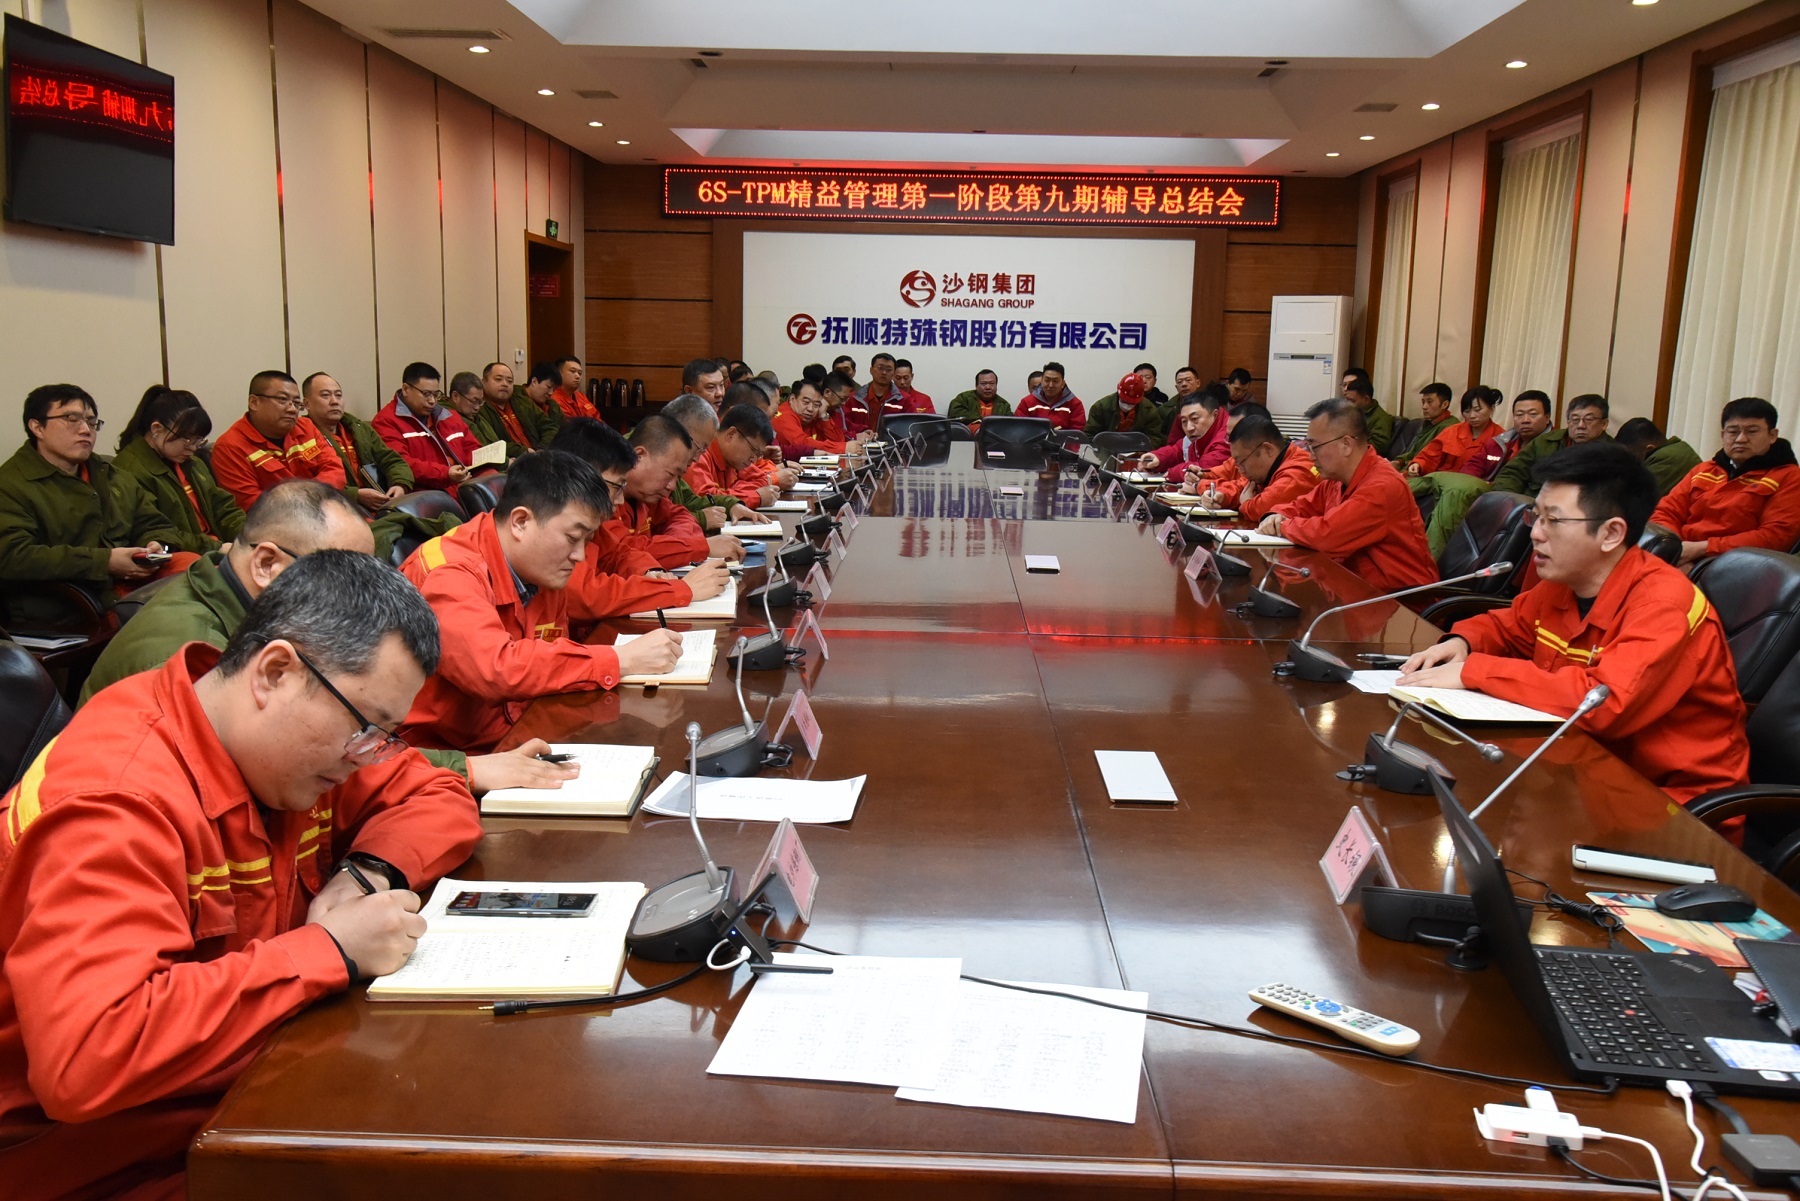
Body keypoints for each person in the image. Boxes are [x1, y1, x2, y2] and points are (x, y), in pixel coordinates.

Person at [0, 550, 484, 1201]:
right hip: (108, 1159)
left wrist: (365, 872)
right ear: (275, 672)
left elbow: (435, 793)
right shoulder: (116, 799)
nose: (367, 755)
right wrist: (330, 950)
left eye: (385, 735)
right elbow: (89, 1056)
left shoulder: (294, 744)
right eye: (366, 727)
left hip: (247, 1094)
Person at [1400, 443, 1748, 804]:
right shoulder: (1566, 581)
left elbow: (1603, 704)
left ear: (1611, 534)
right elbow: (1506, 628)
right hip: (1576, 769)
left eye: (1553, 520)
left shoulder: (1664, 604)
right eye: (1535, 516)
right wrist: (1462, 643)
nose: (1536, 533)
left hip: (1670, 800)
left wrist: (1474, 671)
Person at [398, 450, 683, 754]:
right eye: (572, 538)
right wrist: (618, 660)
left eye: (586, 541)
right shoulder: (448, 570)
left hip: (520, 732)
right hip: (448, 759)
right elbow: (497, 670)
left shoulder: (540, 566)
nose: (580, 556)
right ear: (521, 521)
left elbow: (547, 659)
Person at [0, 384, 189, 596]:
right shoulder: (11, 485)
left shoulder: (111, 475)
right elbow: (13, 556)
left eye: (91, 422)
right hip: (69, 600)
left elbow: (156, 524)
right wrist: (104, 562)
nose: (85, 430)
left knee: (195, 568)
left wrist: (157, 546)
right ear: (37, 427)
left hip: (134, 583)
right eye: (71, 419)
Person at [549, 418, 730, 620]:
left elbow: (619, 553)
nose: (619, 500)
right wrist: (679, 589)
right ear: (582, 478)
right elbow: (585, 596)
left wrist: (648, 571)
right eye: (617, 486)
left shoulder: (626, 504)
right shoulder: (553, 524)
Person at [1259, 397, 1436, 592]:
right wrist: (1276, 515)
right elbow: (1301, 506)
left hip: (1400, 600)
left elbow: (1328, 534)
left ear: (1346, 444)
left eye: (1315, 447)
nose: (1310, 456)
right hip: (1351, 589)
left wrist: (1283, 526)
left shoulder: (1382, 486)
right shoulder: (1336, 479)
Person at [1652, 397, 1800, 566]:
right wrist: (1672, 545)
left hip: (1734, 565)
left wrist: (1703, 548)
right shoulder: (1704, 470)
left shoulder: (1788, 477)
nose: (1741, 439)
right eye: (1733, 432)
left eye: (1752, 431)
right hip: (1682, 552)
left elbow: (1775, 537)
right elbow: (1666, 512)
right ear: (1723, 435)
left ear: (1772, 435)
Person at [110, 385, 246, 553]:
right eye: (187, 440)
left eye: (199, 441)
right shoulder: (129, 471)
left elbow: (223, 510)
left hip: (214, 549)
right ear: (157, 429)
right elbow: (158, 532)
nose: (193, 448)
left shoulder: (193, 463)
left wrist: (251, 535)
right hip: (180, 554)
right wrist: (217, 548)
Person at [209, 370, 348, 509]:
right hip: (276, 520)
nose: (292, 409)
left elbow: (336, 472)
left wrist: (306, 496)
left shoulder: (306, 427)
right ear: (254, 402)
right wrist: (309, 497)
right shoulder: (230, 446)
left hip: (323, 510)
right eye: (282, 400)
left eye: (296, 402)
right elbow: (251, 504)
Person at [612, 414, 737, 566]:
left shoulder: (648, 495)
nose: (672, 486)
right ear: (639, 456)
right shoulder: (605, 495)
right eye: (670, 474)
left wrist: (678, 545)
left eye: (678, 477)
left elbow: (680, 516)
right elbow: (625, 554)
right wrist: (698, 548)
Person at [304, 371, 413, 512]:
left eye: (338, 395)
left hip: (381, 502)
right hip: (337, 509)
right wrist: (354, 495)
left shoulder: (359, 428)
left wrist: (400, 484)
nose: (334, 401)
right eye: (325, 395)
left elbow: (392, 460)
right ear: (306, 404)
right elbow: (308, 487)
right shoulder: (303, 437)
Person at [371, 362, 475, 493]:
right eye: (426, 394)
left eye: (436, 394)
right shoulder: (386, 421)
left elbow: (472, 447)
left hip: (465, 484)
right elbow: (401, 464)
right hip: (428, 492)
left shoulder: (448, 416)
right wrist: (445, 473)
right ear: (406, 389)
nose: (432, 401)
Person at [663, 393, 761, 530]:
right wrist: (700, 519)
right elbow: (660, 524)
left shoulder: (673, 465)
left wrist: (731, 505)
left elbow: (689, 501)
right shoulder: (652, 463)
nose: (697, 458)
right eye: (699, 448)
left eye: (703, 450)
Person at [1198, 413, 1320, 524]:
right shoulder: (1271, 466)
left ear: (1267, 450)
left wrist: (1246, 504)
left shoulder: (1298, 470)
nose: (1240, 470)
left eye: (1242, 462)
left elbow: (1262, 509)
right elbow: (1243, 488)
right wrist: (1221, 496)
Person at [1492, 393, 1612, 497]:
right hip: (1532, 505)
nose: (1581, 425)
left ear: (1604, 424)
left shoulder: (1612, 454)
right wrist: (1509, 500)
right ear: (1568, 422)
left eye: (1589, 419)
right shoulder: (1546, 442)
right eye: (1575, 419)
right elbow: (1513, 472)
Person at [685, 401, 780, 509]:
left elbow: (762, 480)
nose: (754, 460)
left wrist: (731, 493)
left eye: (759, 454)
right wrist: (754, 497)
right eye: (754, 450)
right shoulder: (699, 454)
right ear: (731, 434)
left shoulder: (735, 460)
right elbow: (705, 500)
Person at [1407, 387, 1502, 480]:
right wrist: (1418, 464)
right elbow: (1430, 455)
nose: (1472, 416)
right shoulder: (1453, 431)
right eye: (1467, 411)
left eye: (1477, 410)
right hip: (1441, 481)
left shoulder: (1500, 438)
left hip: (1473, 485)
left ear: (1492, 408)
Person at [1139, 389, 1228, 482]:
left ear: (1214, 415)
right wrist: (1158, 458)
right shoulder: (1201, 432)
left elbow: (1204, 469)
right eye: (1184, 421)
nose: (1189, 428)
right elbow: (1178, 450)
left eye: (1195, 419)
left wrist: (1173, 473)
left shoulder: (1228, 435)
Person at [464, 361, 544, 458]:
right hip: (509, 460)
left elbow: (549, 426)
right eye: (498, 379)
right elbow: (488, 444)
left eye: (509, 381)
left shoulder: (523, 402)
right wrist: (522, 451)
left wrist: (542, 448)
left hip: (537, 456)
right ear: (484, 382)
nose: (505, 384)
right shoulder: (477, 408)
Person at [1615, 417, 1703, 497]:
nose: (1627, 463)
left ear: (1649, 449)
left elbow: (1633, 499)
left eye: (1630, 458)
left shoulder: (1667, 459)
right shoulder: (1678, 450)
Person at [846, 352, 927, 434]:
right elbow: (845, 424)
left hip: (892, 442)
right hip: (859, 441)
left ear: (894, 373)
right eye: (880, 368)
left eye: (889, 369)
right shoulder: (854, 398)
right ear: (871, 370)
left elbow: (912, 427)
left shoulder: (904, 399)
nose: (884, 372)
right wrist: (861, 432)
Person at [773, 377, 849, 456]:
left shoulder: (813, 417)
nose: (810, 409)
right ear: (792, 399)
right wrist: (843, 448)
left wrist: (824, 417)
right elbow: (802, 444)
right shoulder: (783, 417)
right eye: (806, 402)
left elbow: (839, 441)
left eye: (816, 404)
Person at [1389, 383, 1457, 470]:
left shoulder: (1450, 427)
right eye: (1423, 402)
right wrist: (1399, 461)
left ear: (1444, 404)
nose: (1424, 407)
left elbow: (1433, 461)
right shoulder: (1429, 423)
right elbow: (1414, 452)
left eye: (1429, 402)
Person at [1086, 372, 1169, 443]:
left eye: (1132, 403)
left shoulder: (1150, 411)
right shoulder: (1100, 407)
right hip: (1105, 450)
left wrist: (1141, 451)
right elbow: (1089, 435)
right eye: (1124, 401)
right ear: (1119, 392)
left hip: (1137, 451)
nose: (1127, 405)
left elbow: (1155, 438)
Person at [1017, 362, 1084, 430]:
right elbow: (1018, 428)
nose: (1050, 385)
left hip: (1064, 437)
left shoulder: (1074, 404)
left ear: (1063, 384)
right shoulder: (1027, 402)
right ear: (1042, 381)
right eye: (1047, 380)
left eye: (1055, 381)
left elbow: (1077, 432)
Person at [1342, 373, 1396, 456]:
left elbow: (1378, 447)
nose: (1348, 404)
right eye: (1347, 400)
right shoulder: (1350, 412)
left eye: (1352, 401)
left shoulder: (1381, 418)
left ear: (1366, 399)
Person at [945, 369, 1012, 429]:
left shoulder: (1004, 405)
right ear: (976, 386)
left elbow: (1010, 425)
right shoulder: (964, 398)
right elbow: (955, 414)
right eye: (983, 384)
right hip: (967, 437)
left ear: (996, 385)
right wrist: (979, 419)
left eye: (992, 383)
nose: (988, 387)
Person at [517, 361, 565, 439]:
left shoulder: (552, 406)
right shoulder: (517, 401)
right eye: (548, 387)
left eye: (554, 389)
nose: (551, 393)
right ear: (534, 381)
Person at [549, 356, 598, 421]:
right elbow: (570, 424)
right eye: (573, 371)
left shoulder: (581, 396)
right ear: (559, 374)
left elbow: (597, 417)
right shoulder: (554, 399)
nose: (578, 376)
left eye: (580, 373)